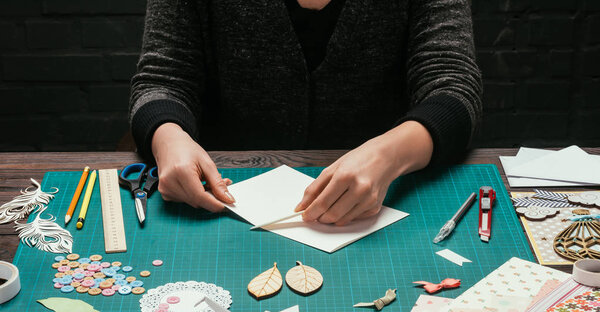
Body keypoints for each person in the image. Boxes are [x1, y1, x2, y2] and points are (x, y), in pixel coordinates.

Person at [129, 0, 482, 225]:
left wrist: (389, 155)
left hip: (385, 204)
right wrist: (168, 138)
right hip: (225, 199)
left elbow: (453, 86)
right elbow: (163, 79)